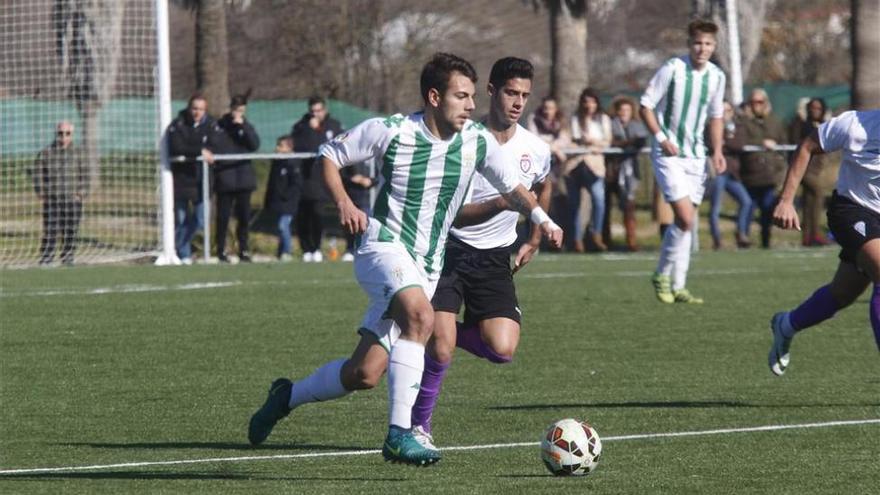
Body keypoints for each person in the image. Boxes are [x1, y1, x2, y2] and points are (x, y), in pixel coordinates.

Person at [246, 52, 563, 466]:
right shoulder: (391, 131)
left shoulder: (476, 141)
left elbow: (515, 186)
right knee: (420, 316)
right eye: (461, 96)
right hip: (382, 247)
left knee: (364, 374)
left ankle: (286, 396)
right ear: (434, 97)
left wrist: (542, 219)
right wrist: (344, 202)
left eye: (471, 97)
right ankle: (400, 434)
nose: (470, 106)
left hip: (426, 266)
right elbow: (329, 155)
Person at [408, 57, 553, 450]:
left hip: (495, 258)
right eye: (510, 92)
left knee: (503, 349)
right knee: (440, 347)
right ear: (491, 91)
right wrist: (501, 205)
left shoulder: (535, 148)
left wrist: (535, 236)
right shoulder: (462, 139)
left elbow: (542, 184)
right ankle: (418, 426)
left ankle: (429, 335)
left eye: (525, 94)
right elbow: (454, 213)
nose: (518, 102)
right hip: (450, 249)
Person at [769, 109, 880, 376]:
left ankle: (786, 324)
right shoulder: (854, 124)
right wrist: (786, 200)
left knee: (842, 294)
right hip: (852, 211)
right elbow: (808, 145)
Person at [640, 18, 727, 304]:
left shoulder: (717, 76)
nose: (702, 48)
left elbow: (716, 117)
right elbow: (646, 106)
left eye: (708, 44)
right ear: (689, 44)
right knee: (686, 217)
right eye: (698, 43)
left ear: (714, 47)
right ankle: (662, 274)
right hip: (669, 155)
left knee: (687, 223)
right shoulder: (673, 69)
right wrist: (661, 137)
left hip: (697, 157)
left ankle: (679, 285)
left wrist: (717, 151)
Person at [167, 93, 222, 264]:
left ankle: (176, 244)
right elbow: (177, 147)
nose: (197, 112)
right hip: (181, 181)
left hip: (202, 181)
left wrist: (202, 150)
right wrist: (199, 151)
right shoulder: (178, 124)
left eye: (201, 109)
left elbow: (215, 145)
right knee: (181, 219)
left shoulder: (212, 124)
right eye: (194, 108)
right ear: (189, 108)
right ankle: (183, 254)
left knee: (200, 219)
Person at [291, 96, 344, 262]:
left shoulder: (333, 125)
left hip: (324, 178)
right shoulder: (301, 126)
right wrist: (311, 129)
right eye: (312, 111)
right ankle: (306, 249)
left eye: (318, 110)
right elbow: (300, 147)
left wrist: (319, 130)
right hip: (305, 179)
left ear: (324, 110)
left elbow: (331, 148)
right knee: (303, 216)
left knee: (318, 214)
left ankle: (317, 247)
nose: (315, 114)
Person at [31, 121, 88, 265]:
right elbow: (37, 174)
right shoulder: (46, 152)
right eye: (61, 133)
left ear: (72, 134)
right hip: (52, 199)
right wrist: (40, 191)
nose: (64, 137)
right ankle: (47, 257)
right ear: (56, 134)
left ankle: (67, 257)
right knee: (50, 230)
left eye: (67, 133)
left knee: (71, 230)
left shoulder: (79, 153)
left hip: (72, 199)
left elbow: (85, 175)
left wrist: (81, 192)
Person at [215, 93, 260, 262]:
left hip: (243, 180)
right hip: (225, 178)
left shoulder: (247, 126)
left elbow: (254, 144)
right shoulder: (220, 125)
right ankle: (220, 250)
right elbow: (214, 143)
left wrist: (243, 127)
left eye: (241, 110)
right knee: (223, 217)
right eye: (235, 110)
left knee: (244, 217)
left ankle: (244, 249)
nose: (237, 114)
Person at [565, 88, 612, 252]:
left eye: (592, 101)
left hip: (595, 165)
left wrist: (593, 142)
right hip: (576, 164)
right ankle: (577, 239)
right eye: (585, 101)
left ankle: (596, 233)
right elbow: (572, 139)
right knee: (575, 204)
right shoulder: (575, 119)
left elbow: (607, 141)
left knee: (599, 200)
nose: (588, 105)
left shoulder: (603, 119)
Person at [739, 88, 786, 249]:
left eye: (760, 102)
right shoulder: (743, 122)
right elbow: (741, 141)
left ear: (766, 103)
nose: (756, 106)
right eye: (753, 102)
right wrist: (762, 143)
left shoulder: (774, 121)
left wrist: (779, 167)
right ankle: (743, 239)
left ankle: (766, 241)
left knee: (767, 211)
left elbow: (783, 144)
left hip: (769, 175)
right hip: (749, 175)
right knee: (748, 208)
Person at [788, 97, 834, 247]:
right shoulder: (801, 124)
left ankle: (808, 235)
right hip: (804, 168)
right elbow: (798, 142)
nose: (815, 111)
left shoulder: (822, 124)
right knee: (818, 193)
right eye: (812, 108)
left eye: (818, 108)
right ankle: (814, 233)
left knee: (809, 201)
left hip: (817, 169)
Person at [604, 97, 647, 251]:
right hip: (610, 170)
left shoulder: (636, 125)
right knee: (606, 206)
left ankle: (631, 240)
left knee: (629, 206)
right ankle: (605, 240)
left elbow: (641, 141)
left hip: (629, 172)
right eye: (621, 110)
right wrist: (627, 142)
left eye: (627, 110)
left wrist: (625, 143)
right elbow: (609, 142)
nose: (624, 113)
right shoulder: (610, 124)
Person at [708, 101, 752, 250]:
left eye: (728, 110)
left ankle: (740, 233)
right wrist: (720, 142)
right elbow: (710, 144)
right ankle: (717, 240)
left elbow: (739, 144)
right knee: (715, 208)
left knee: (746, 201)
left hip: (732, 173)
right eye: (722, 110)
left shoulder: (737, 127)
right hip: (718, 171)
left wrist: (724, 141)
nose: (725, 113)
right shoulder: (711, 126)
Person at [264, 135, 301, 261]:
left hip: (289, 203)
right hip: (279, 203)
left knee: (282, 225)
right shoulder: (277, 162)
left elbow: (296, 184)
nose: (277, 148)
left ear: (289, 147)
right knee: (280, 227)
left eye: (281, 146)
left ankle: (287, 252)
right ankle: (280, 252)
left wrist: (286, 196)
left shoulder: (293, 162)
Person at [340, 160, 375, 261]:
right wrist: (353, 179)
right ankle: (350, 249)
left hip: (367, 200)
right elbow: (340, 177)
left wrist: (369, 181)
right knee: (351, 224)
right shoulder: (350, 159)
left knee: (366, 227)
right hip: (351, 199)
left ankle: (365, 249)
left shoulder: (372, 161)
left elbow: (379, 177)